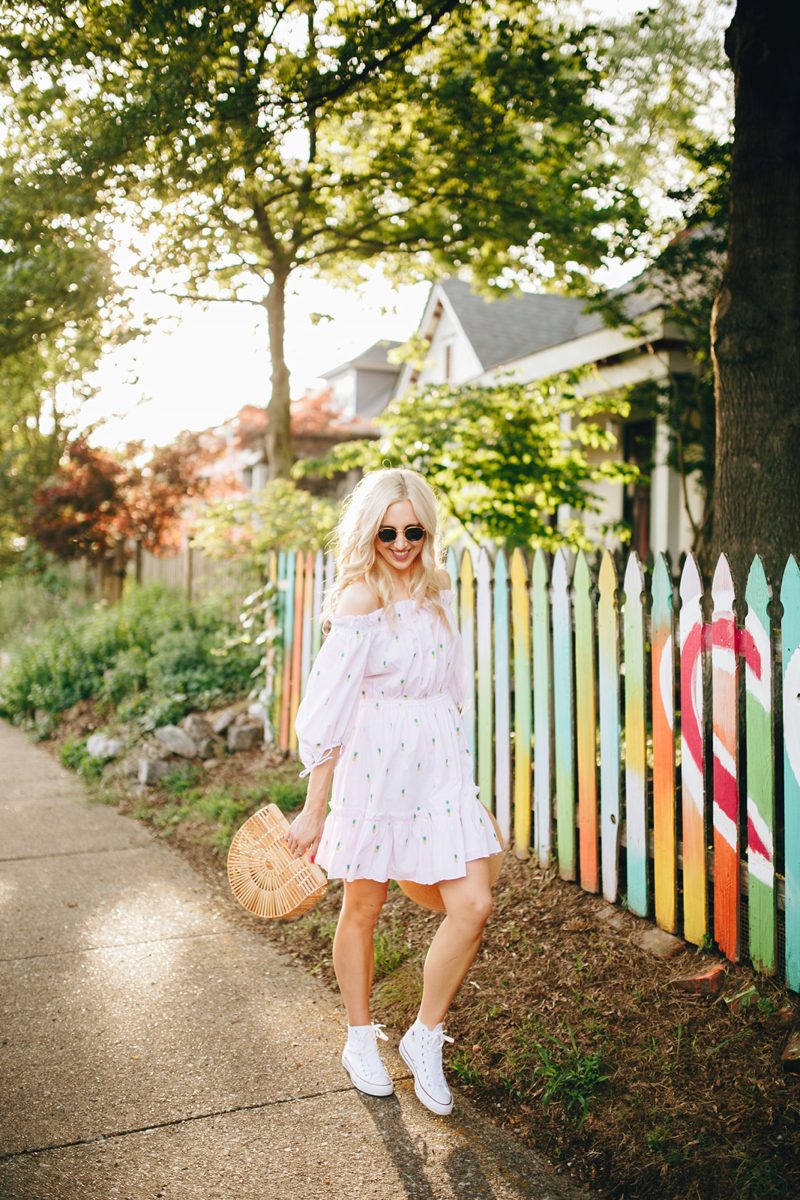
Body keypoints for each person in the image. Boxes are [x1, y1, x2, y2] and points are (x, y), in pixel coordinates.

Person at [286, 467, 500, 1117]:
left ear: (427, 530)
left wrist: (465, 787)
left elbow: (450, 691)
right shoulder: (358, 600)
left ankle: (424, 1036)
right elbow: (331, 706)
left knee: (474, 904)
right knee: (363, 906)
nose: (402, 542)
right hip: (375, 767)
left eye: (413, 530)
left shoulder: (436, 592)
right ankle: (359, 1037)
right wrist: (315, 806)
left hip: (437, 765)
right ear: (370, 532)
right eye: (388, 531)